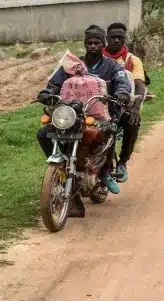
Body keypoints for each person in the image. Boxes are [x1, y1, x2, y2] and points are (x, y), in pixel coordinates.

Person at [36, 25, 131, 217]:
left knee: (105, 133)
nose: (93, 46)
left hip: (102, 115)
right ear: (85, 44)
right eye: (90, 43)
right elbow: (55, 82)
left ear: (102, 45)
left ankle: (104, 170)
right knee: (44, 133)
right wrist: (47, 93)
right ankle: (62, 166)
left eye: (97, 43)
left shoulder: (112, 66)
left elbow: (122, 82)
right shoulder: (73, 65)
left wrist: (121, 93)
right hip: (72, 114)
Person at [104, 22, 147, 183]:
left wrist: (136, 107)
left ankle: (122, 162)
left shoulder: (131, 60)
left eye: (120, 38)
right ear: (106, 38)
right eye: (112, 37)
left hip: (121, 106)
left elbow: (139, 84)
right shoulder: (96, 56)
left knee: (132, 121)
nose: (116, 40)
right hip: (97, 105)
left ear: (124, 39)